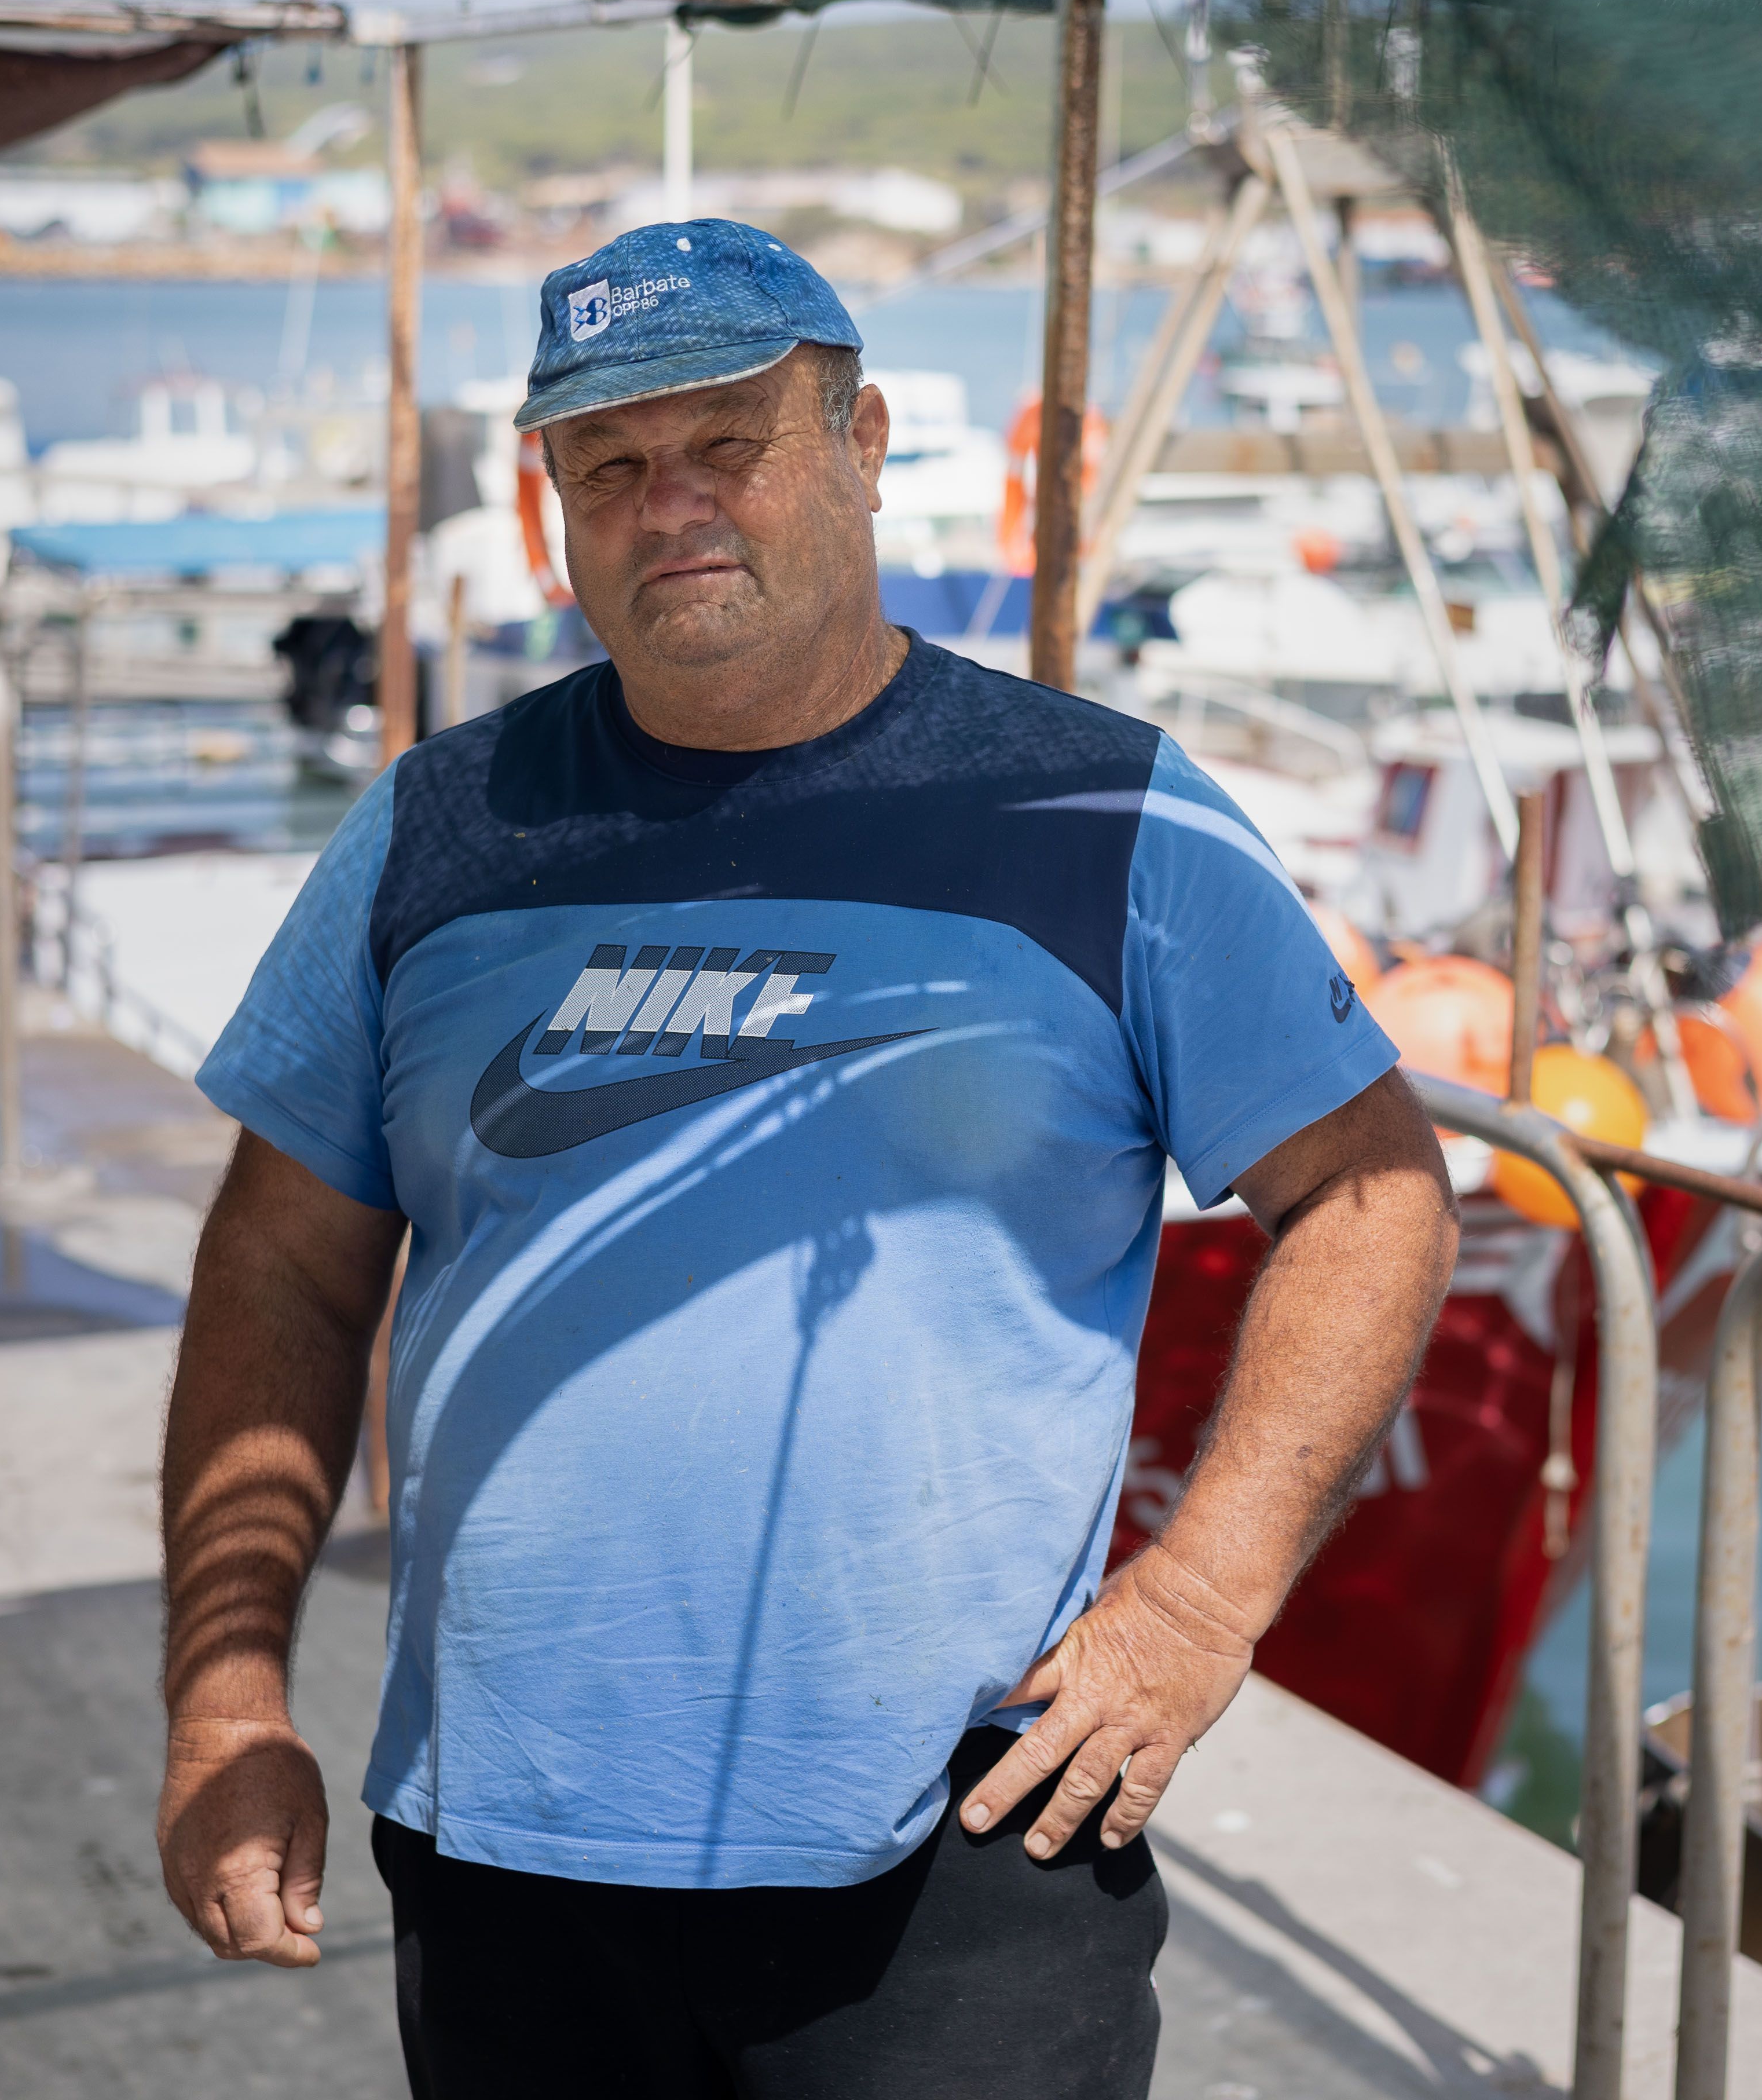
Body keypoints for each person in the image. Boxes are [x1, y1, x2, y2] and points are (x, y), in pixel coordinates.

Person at [155, 218, 1459, 2098]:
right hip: (506, 1841)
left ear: (861, 443)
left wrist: (1198, 1604)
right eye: (609, 465)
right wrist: (224, 1696)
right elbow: (280, 1261)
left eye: (729, 445)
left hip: (963, 1845)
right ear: (554, 511)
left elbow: (1370, 1195)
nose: (668, 505)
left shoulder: (1111, 811)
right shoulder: (434, 828)